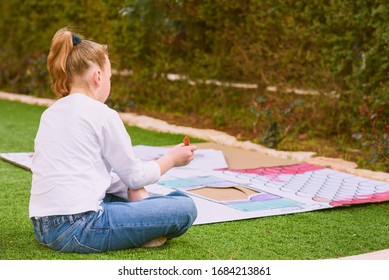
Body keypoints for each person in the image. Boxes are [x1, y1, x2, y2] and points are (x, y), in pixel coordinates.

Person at [29, 27, 198, 253]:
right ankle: (142, 229)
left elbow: (89, 175)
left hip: (43, 228)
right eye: (110, 77)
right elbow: (136, 176)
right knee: (184, 207)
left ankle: (141, 218)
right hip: (79, 227)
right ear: (98, 77)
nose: (109, 81)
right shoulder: (102, 114)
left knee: (122, 190)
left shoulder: (50, 113)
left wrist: (129, 185)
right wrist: (171, 159)